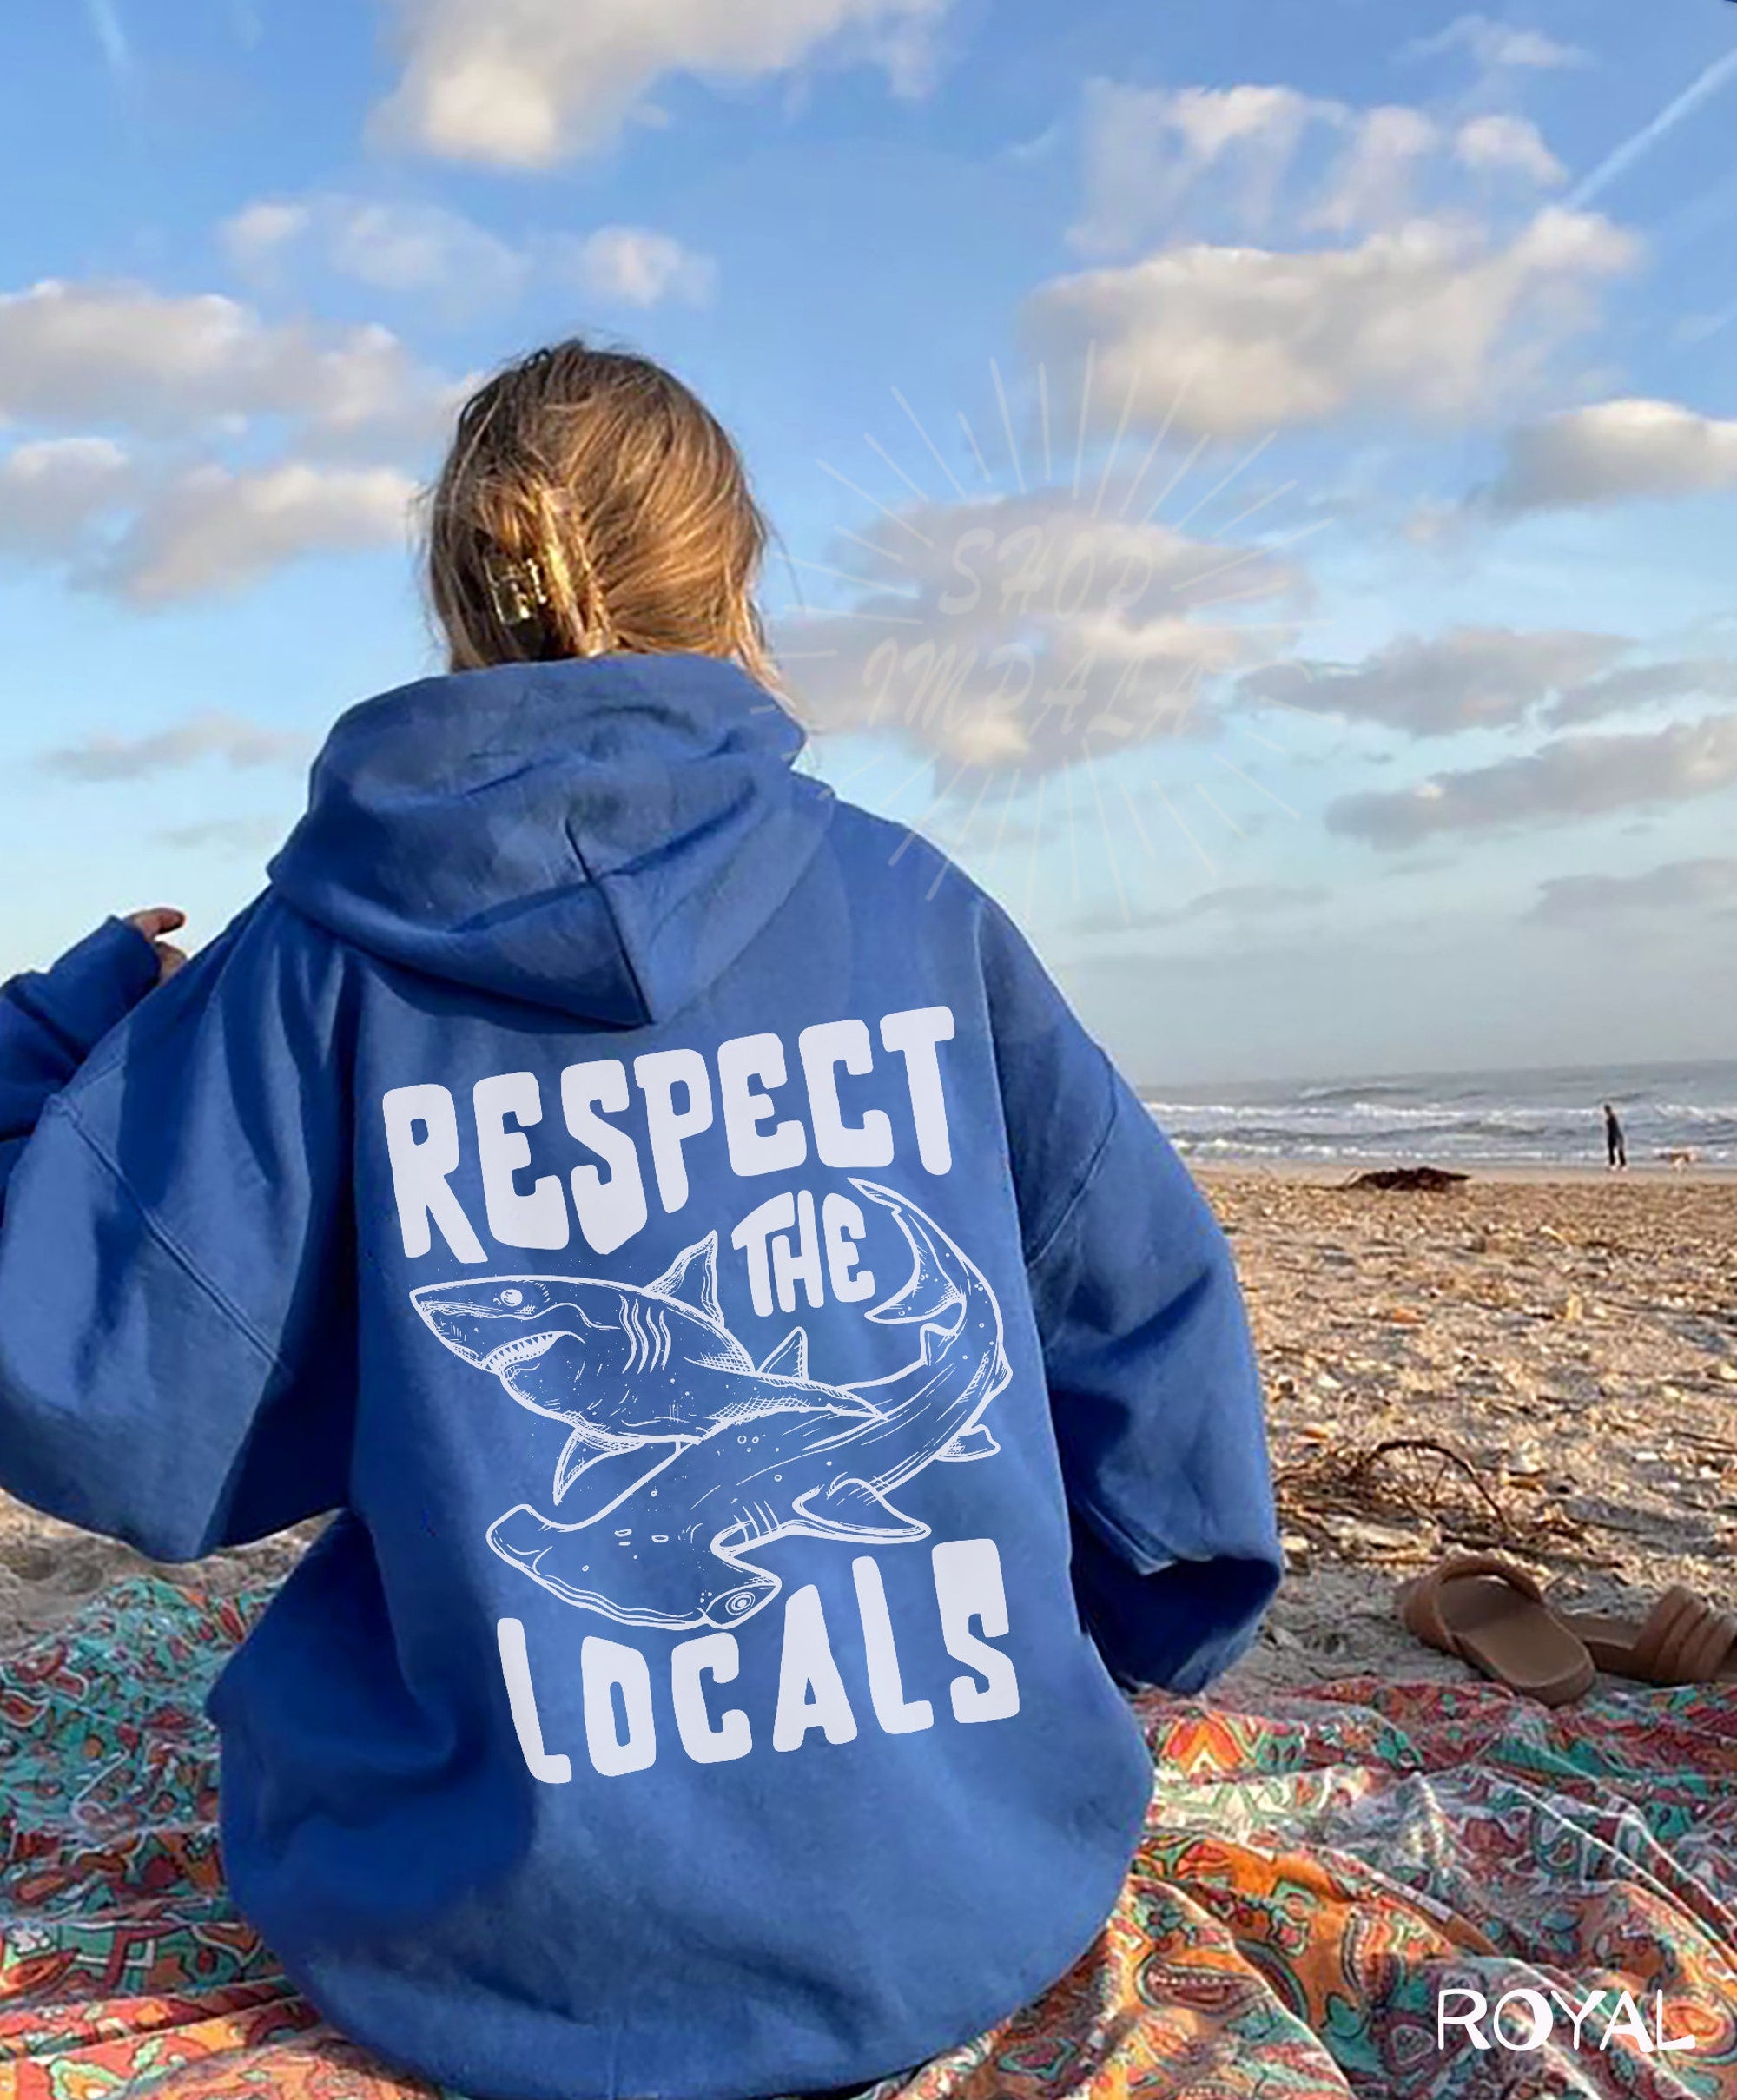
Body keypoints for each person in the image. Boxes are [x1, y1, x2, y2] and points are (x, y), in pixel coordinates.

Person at [0, 341, 1280, 2100]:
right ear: (730, 582)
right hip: (960, 1887)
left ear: (460, 592)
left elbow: (89, 1381)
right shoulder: (910, 906)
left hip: (489, 1935)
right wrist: (1154, 1624)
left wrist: (62, 1037)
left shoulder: (307, 966)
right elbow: (1137, 1316)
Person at [1604, 1100, 1628, 1171]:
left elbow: (1614, 1128)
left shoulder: (1612, 1117)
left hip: (1615, 1135)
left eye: (1606, 1110)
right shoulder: (1610, 1117)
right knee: (1613, 1150)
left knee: (1618, 1150)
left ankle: (1620, 1165)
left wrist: (1614, 1137)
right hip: (1614, 1135)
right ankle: (1616, 1164)